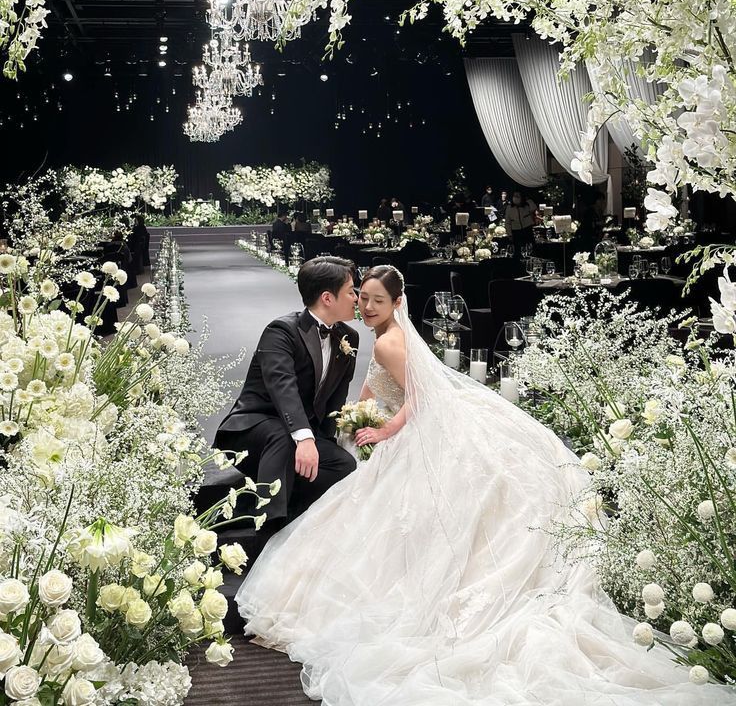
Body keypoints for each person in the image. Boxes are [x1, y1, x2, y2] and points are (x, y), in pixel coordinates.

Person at [236, 266, 729, 706]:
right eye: (361, 297)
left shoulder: (387, 339)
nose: (365, 306)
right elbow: (375, 387)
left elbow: (420, 398)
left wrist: (384, 430)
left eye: (375, 301)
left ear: (397, 304)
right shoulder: (382, 336)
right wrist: (354, 419)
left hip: (416, 429)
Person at [215, 257, 359, 537]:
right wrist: (305, 438)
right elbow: (283, 388)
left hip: (295, 432)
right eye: (351, 290)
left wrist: (325, 439)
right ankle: (270, 531)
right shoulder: (281, 331)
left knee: (344, 464)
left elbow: (335, 400)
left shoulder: (348, 338)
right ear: (328, 298)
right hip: (254, 429)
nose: (356, 297)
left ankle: (290, 513)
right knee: (281, 436)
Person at [504, 189, 537, 255]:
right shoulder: (509, 207)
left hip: (527, 230)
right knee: (518, 252)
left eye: (518, 196)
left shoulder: (526, 206)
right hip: (516, 232)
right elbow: (507, 222)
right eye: (514, 196)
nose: (515, 198)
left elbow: (534, 207)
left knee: (530, 250)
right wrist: (509, 234)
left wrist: (528, 200)